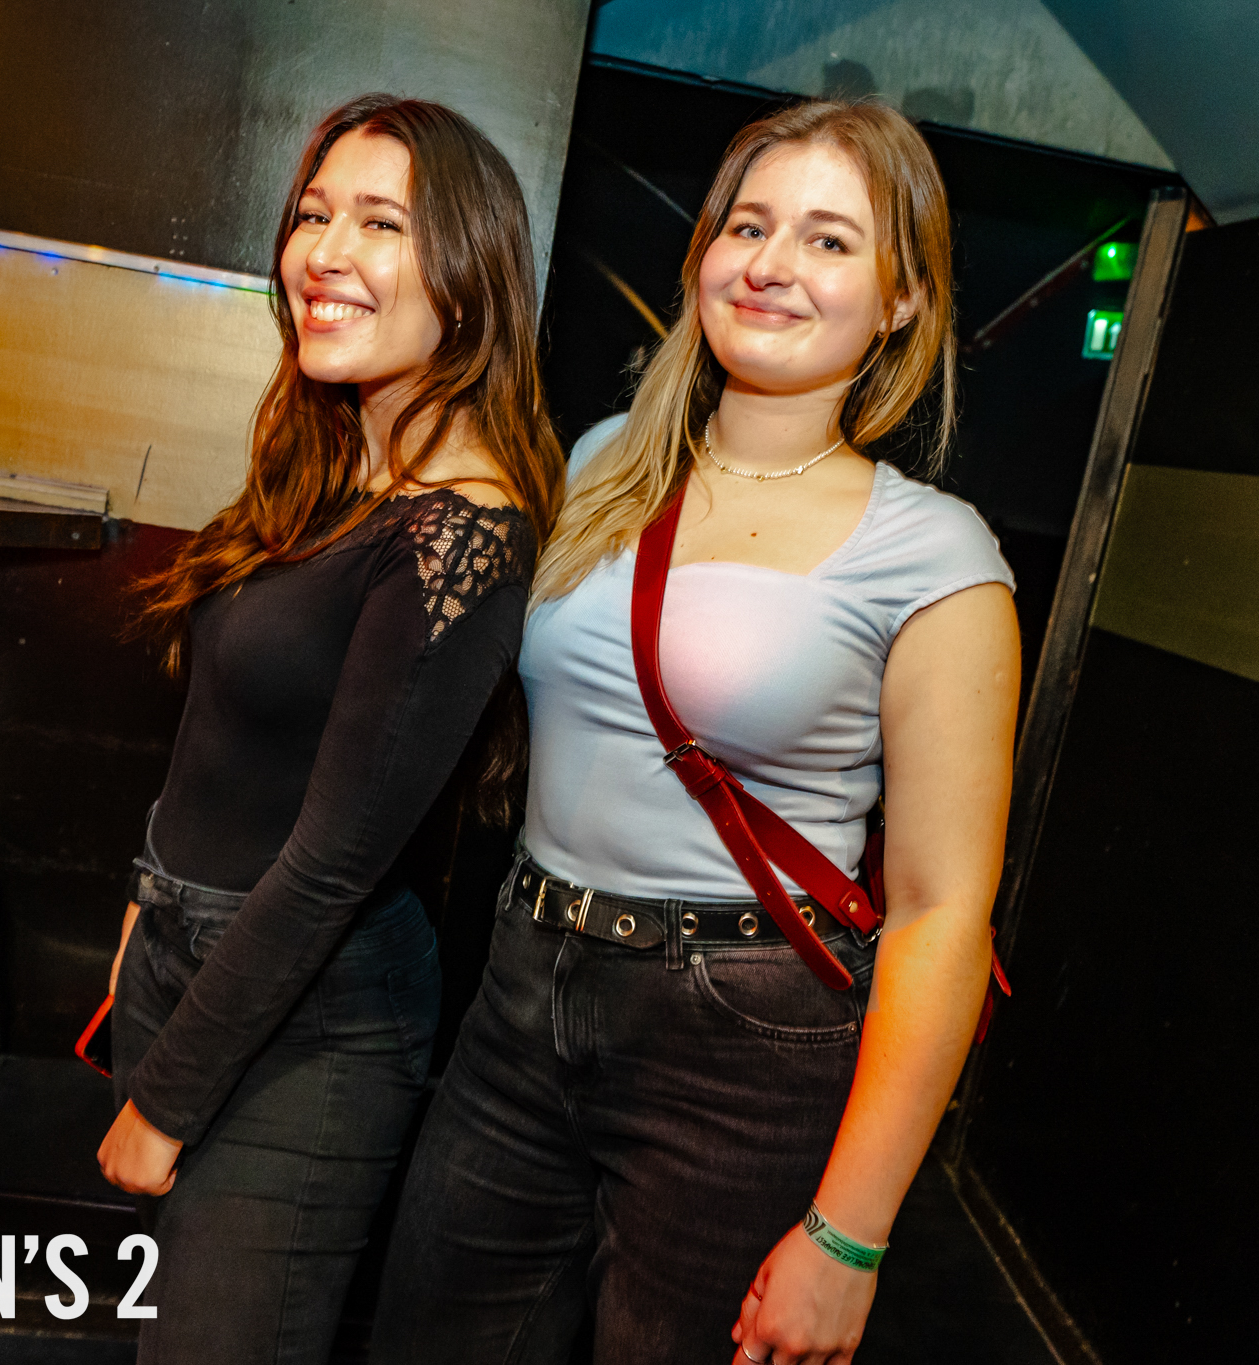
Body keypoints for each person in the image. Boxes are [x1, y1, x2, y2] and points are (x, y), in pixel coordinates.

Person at [372, 99, 1018, 1365]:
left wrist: (849, 1237)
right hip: (520, 989)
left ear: (899, 300)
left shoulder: (932, 553)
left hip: (740, 1041)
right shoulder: (605, 463)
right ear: (702, 253)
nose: (771, 264)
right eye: (747, 226)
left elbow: (942, 913)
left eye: (829, 241)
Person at [98, 94, 562, 1364]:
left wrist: (167, 1098)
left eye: (380, 224)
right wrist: (145, 912)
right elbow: (218, 735)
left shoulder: (463, 534)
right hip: (190, 966)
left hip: (309, 1025)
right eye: (312, 215)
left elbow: (333, 862)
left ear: (468, 276)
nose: (325, 253)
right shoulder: (332, 467)